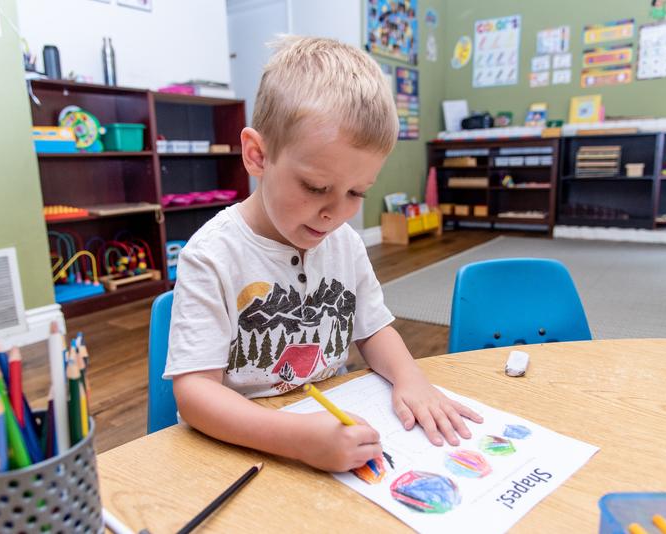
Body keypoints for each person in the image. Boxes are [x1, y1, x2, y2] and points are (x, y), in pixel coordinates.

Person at [164, 36, 482, 472]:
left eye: (357, 192)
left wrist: (411, 379)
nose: (335, 213)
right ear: (257, 155)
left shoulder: (344, 244)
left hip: (328, 436)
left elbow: (373, 329)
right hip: (239, 451)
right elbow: (195, 393)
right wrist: (294, 439)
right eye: (316, 188)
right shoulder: (212, 254)